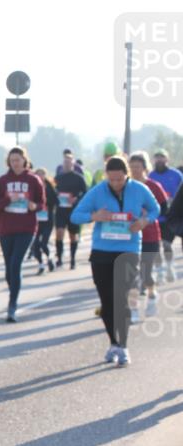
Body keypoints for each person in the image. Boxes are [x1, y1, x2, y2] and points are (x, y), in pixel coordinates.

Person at [70, 156, 159, 367]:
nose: (116, 183)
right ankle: (114, 343)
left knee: (122, 299)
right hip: (102, 251)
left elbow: (156, 209)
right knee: (107, 303)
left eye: (120, 179)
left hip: (128, 250)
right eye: (112, 180)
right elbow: (76, 216)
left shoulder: (139, 189)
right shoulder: (98, 191)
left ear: (126, 174)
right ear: (107, 176)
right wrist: (95, 216)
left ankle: (124, 346)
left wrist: (144, 221)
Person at [0, 147, 45, 322]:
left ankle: (12, 305)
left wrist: (34, 206)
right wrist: (7, 200)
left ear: (24, 160)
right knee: (8, 270)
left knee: (15, 264)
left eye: (18, 160)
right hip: (6, 228)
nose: (15, 163)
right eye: (12, 160)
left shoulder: (34, 180)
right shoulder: (2, 181)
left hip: (26, 228)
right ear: (9, 162)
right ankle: (14, 290)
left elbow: (41, 203)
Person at [128, 152, 169, 319]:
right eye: (131, 167)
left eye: (137, 167)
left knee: (145, 274)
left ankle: (152, 296)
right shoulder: (126, 186)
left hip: (150, 236)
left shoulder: (153, 186)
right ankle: (133, 310)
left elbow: (164, 208)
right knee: (130, 275)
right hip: (130, 236)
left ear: (145, 168)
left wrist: (148, 216)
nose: (135, 170)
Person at [149, 149, 183, 282]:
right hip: (155, 217)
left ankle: (169, 266)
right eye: (157, 157)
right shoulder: (151, 176)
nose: (159, 160)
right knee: (157, 246)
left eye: (162, 157)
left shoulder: (176, 175)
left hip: (171, 217)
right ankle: (159, 270)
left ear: (167, 159)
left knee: (167, 245)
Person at [54, 151, 89, 270]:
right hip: (61, 210)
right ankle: (59, 258)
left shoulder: (78, 178)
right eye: (65, 163)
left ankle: (72, 259)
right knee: (59, 233)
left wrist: (76, 198)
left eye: (69, 163)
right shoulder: (58, 178)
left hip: (73, 210)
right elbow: (53, 190)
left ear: (73, 164)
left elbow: (85, 192)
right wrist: (57, 196)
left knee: (73, 236)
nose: (67, 165)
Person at [32, 167, 57, 274]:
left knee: (44, 243)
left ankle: (50, 258)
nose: (40, 176)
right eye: (37, 174)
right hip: (36, 221)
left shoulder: (50, 187)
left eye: (42, 174)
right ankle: (41, 264)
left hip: (48, 220)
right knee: (35, 245)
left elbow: (56, 201)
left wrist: (45, 204)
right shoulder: (32, 188)